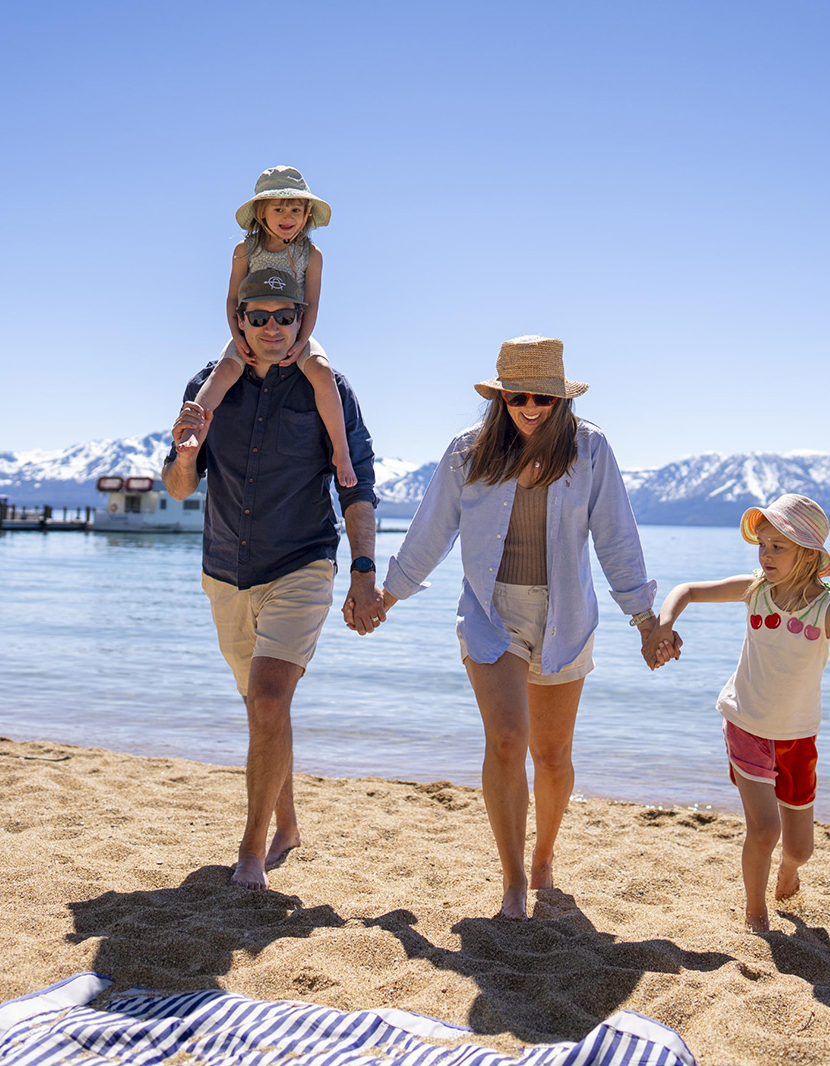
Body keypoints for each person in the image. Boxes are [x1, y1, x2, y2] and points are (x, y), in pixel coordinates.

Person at [366, 336, 668, 920]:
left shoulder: (590, 450)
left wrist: (645, 620)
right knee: (507, 739)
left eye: (543, 399)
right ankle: (510, 881)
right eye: (517, 397)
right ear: (500, 397)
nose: (530, 408)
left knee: (552, 756)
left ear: (562, 401)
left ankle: (544, 859)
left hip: (566, 614)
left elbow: (616, 537)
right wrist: (388, 595)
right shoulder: (469, 452)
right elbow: (431, 530)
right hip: (491, 612)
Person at [163, 264, 385, 891]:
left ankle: (252, 850)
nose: (269, 328)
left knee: (266, 699)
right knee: (264, 707)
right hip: (226, 569)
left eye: (282, 317)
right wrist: (184, 452)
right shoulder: (208, 386)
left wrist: (364, 573)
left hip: (303, 560)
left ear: (300, 320)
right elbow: (180, 489)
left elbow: (358, 483)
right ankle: (287, 824)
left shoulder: (327, 387)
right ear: (238, 320)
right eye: (256, 316)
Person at [650, 493, 830, 932]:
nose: (765, 555)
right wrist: (665, 622)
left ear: (809, 555)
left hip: (798, 737)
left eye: (778, 547)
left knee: (800, 847)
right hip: (746, 724)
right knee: (764, 829)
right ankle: (755, 912)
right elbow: (688, 591)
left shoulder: (827, 611)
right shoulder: (755, 591)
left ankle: (789, 872)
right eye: (762, 545)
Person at [190, 166, 358, 489]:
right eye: (278, 208)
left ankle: (342, 451)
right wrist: (237, 337)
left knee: (322, 373)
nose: (287, 216)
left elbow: (311, 303)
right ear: (261, 212)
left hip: (294, 330)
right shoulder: (245, 251)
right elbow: (231, 299)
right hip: (250, 329)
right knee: (223, 371)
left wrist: (301, 342)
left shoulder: (311, 254)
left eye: (295, 209)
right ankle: (194, 430)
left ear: (307, 212)